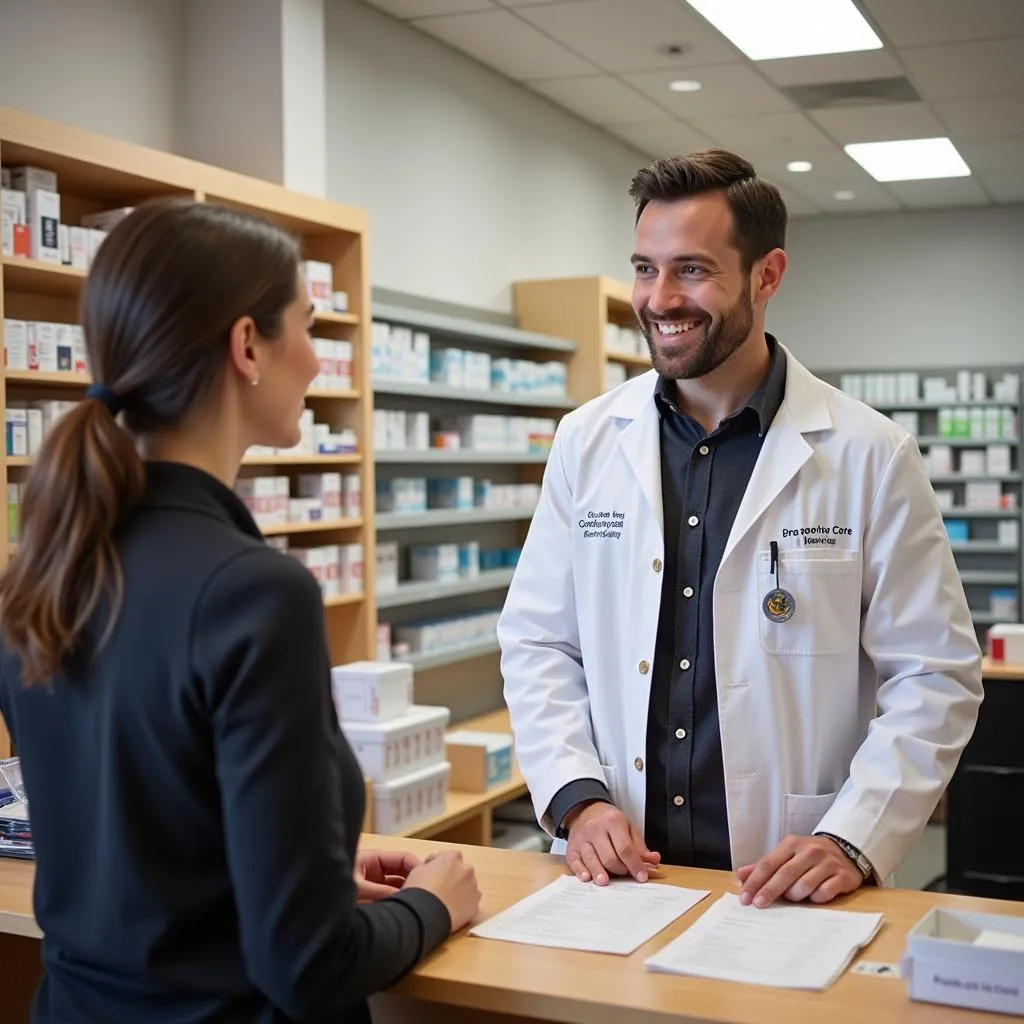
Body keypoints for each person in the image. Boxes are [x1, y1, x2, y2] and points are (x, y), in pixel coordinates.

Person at [0, 197, 480, 1024]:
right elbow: (306, 968)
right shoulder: (253, 593)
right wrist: (435, 904)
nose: (316, 358)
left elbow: (151, 849)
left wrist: (315, 885)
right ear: (248, 346)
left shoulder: (42, 573)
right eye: (307, 325)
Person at [498, 149, 983, 909]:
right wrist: (576, 795)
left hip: (787, 876)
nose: (659, 298)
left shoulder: (867, 453)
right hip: (617, 877)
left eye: (691, 269)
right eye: (645, 268)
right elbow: (538, 642)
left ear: (767, 275)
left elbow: (933, 672)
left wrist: (853, 834)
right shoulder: (588, 439)